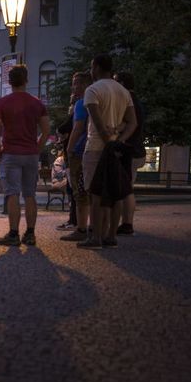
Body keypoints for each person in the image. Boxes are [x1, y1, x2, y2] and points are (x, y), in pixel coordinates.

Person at [78, 54, 137, 249]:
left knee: (96, 194)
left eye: (91, 67)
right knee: (115, 192)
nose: (90, 71)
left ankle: (95, 237)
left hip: (96, 148)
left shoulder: (92, 90)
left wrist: (107, 141)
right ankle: (111, 236)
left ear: (96, 67)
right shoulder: (123, 91)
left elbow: (97, 123)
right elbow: (132, 122)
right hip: (116, 148)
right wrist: (119, 140)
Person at [0, 65, 50, 246]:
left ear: (9, 81)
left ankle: (14, 234)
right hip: (30, 154)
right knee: (30, 194)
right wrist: (37, 149)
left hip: (10, 153)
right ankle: (30, 234)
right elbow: (46, 131)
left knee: (13, 194)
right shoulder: (37, 103)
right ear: (26, 80)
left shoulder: (2, 103)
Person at [60, 71, 93, 242]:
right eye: (73, 84)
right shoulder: (96, 100)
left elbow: (78, 127)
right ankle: (95, 228)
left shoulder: (82, 104)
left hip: (80, 152)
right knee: (92, 191)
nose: (74, 87)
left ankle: (81, 228)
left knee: (79, 192)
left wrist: (70, 149)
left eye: (77, 83)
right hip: (95, 150)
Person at [114, 71, 146, 236]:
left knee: (125, 189)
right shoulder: (136, 101)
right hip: (136, 150)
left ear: (122, 83)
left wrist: (118, 136)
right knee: (128, 188)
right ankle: (126, 223)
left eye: (115, 81)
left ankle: (126, 224)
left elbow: (127, 124)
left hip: (129, 150)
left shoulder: (128, 100)